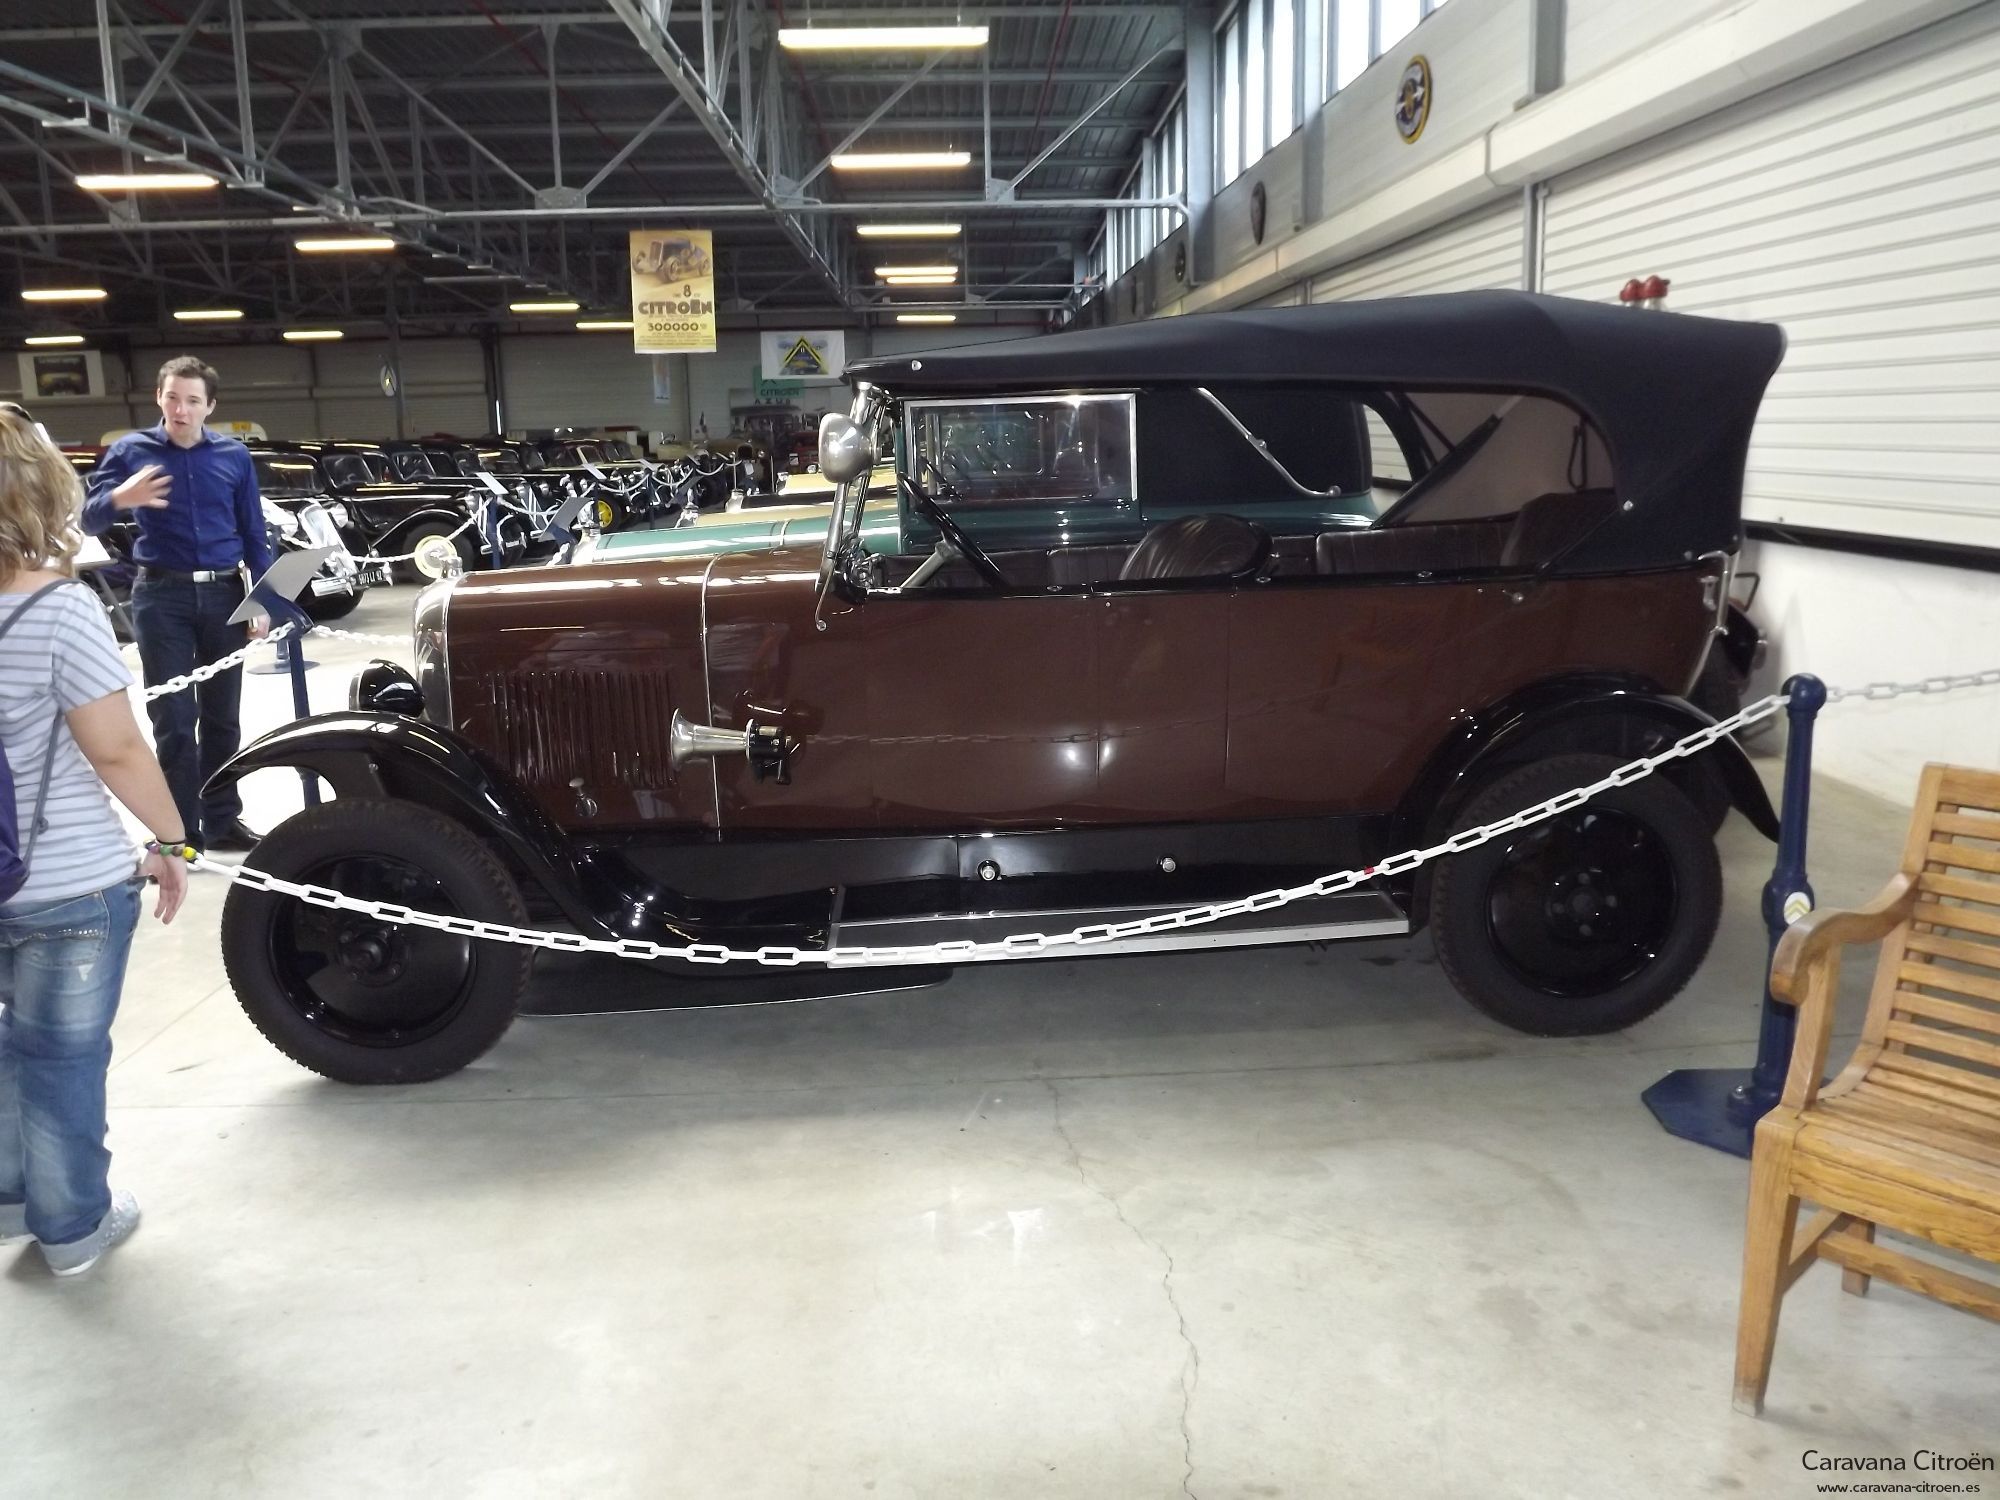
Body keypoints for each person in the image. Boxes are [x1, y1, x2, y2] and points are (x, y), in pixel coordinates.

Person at [0, 402, 190, 1277]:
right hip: (65, 882)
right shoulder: (60, 610)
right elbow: (115, 749)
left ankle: (13, 1200)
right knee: (62, 1059)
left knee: (7, 1052)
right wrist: (172, 840)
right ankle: (73, 1226)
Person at [83, 356, 271, 855]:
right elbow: (86, 520)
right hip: (161, 596)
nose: (180, 410)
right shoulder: (130, 451)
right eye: (172, 398)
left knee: (223, 717)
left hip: (225, 594)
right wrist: (120, 498)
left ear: (210, 406)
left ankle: (222, 820)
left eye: (192, 401)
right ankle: (180, 832)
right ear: (158, 398)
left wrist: (263, 600)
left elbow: (254, 532)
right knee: (173, 719)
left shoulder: (233, 457)